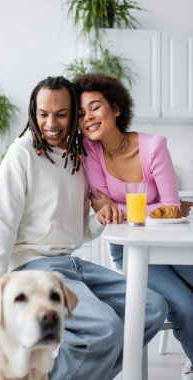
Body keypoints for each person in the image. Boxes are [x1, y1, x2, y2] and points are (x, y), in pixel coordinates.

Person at [0, 76, 167, 380]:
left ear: (74, 114)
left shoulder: (78, 157)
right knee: (104, 327)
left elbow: (76, 233)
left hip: (71, 265)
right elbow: (1, 226)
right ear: (33, 112)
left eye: (61, 114)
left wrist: (99, 218)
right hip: (31, 269)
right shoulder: (23, 154)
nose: (51, 123)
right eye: (43, 114)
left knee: (151, 307)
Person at [73, 72, 193, 380]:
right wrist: (156, 209)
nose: (87, 117)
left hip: (171, 242)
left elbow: (169, 208)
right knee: (184, 305)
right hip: (130, 249)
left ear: (115, 108)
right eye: (81, 113)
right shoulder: (90, 153)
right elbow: (104, 209)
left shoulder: (154, 147)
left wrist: (126, 209)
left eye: (95, 107)